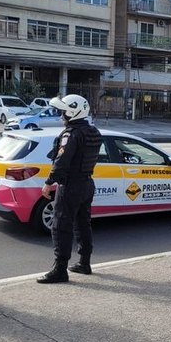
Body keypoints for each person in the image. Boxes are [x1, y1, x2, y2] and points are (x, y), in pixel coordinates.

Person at [37, 95, 103, 284]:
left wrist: (49, 182)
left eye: (63, 111)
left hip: (71, 186)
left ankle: (60, 270)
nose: (61, 115)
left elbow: (61, 162)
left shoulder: (71, 134)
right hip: (87, 184)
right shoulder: (93, 132)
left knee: (60, 226)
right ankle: (84, 262)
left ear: (72, 112)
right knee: (83, 224)